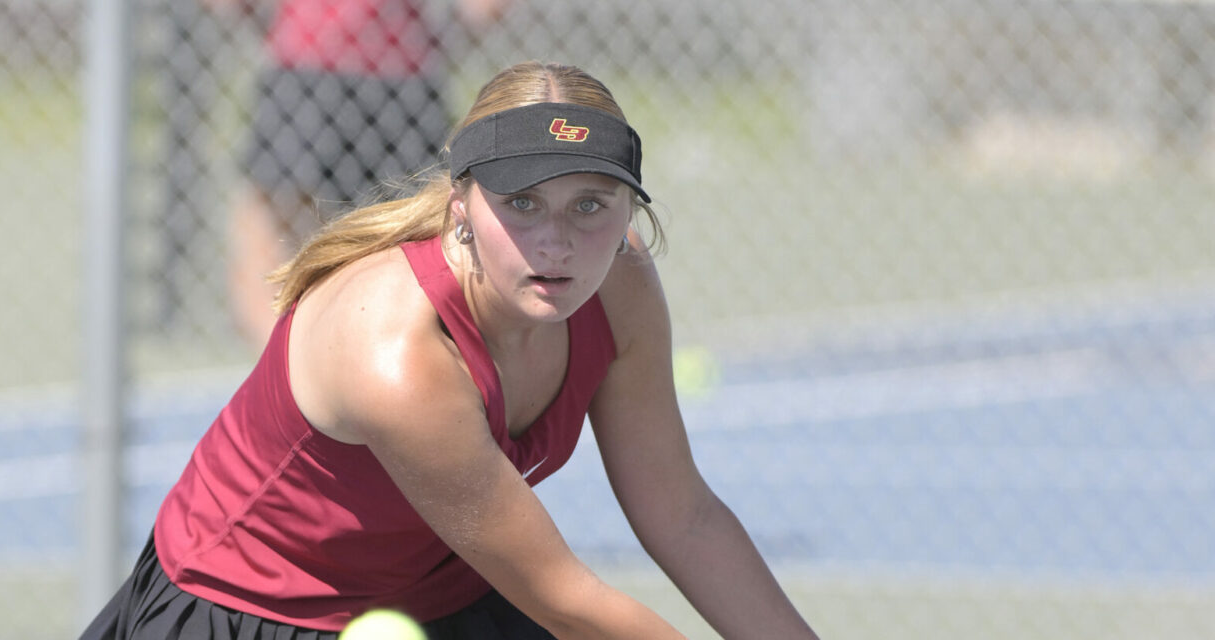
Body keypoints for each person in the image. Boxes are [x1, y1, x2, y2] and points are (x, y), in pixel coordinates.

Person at [81, 61, 820, 640]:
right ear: (461, 206)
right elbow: (566, 601)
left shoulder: (619, 284)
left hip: (448, 599)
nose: (556, 243)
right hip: (256, 611)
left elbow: (682, 513)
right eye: (521, 203)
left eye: (590, 205)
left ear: (631, 209)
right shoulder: (396, 352)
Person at [207, 0, 511, 345]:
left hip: (314, 62)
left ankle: (290, 367)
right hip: (394, 68)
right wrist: (438, 43)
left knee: (276, 236)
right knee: (405, 243)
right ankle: (316, 365)